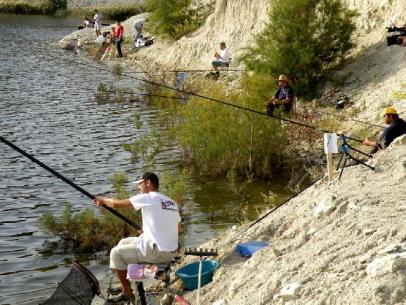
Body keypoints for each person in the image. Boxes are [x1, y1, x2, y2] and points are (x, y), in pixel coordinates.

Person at [94, 172, 181, 303]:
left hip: (158, 253)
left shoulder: (148, 198)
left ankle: (127, 292)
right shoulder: (171, 202)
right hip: (171, 252)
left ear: (148, 183)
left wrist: (102, 201)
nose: (138, 188)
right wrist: (148, 231)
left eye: (140, 184)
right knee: (123, 242)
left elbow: (116, 204)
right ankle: (127, 281)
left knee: (115, 253)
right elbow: (173, 226)